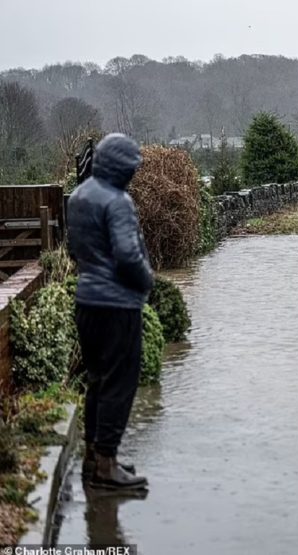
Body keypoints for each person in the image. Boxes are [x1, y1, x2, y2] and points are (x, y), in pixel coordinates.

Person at [67, 133, 154, 491]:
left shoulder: (78, 196)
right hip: (117, 305)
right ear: (121, 165)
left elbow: (74, 248)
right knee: (120, 384)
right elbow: (128, 256)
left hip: (87, 301)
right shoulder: (118, 201)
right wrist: (147, 280)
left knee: (97, 381)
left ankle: (92, 457)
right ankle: (107, 465)